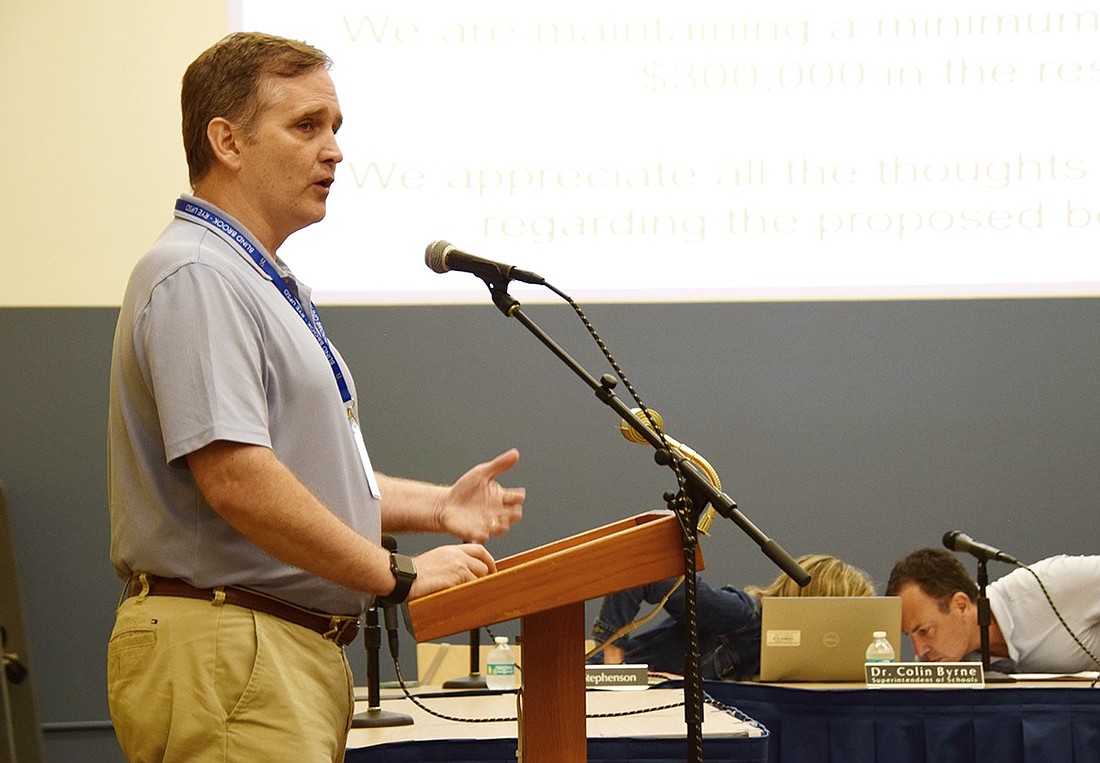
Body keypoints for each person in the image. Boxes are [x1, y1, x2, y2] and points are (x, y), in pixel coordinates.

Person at [106, 32, 525, 762]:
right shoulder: (198, 274)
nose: (334, 150)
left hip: (266, 649)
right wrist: (397, 575)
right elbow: (238, 477)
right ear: (227, 140)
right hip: (229, 646)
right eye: (306, 126)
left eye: (336, 129)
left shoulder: (261, 277)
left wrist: (435, 509)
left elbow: (291, 472)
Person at [588, 554, 875, 680]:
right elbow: (647, 570)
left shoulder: (795, 667)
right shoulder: (743, 616)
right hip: (594, 690)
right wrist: (611, 657)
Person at [886, 547, 1100, 674]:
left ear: (960, 605)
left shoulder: (1049, 584)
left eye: (924, 631)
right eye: (909, 636)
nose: (919, 650)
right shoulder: (934, 661)